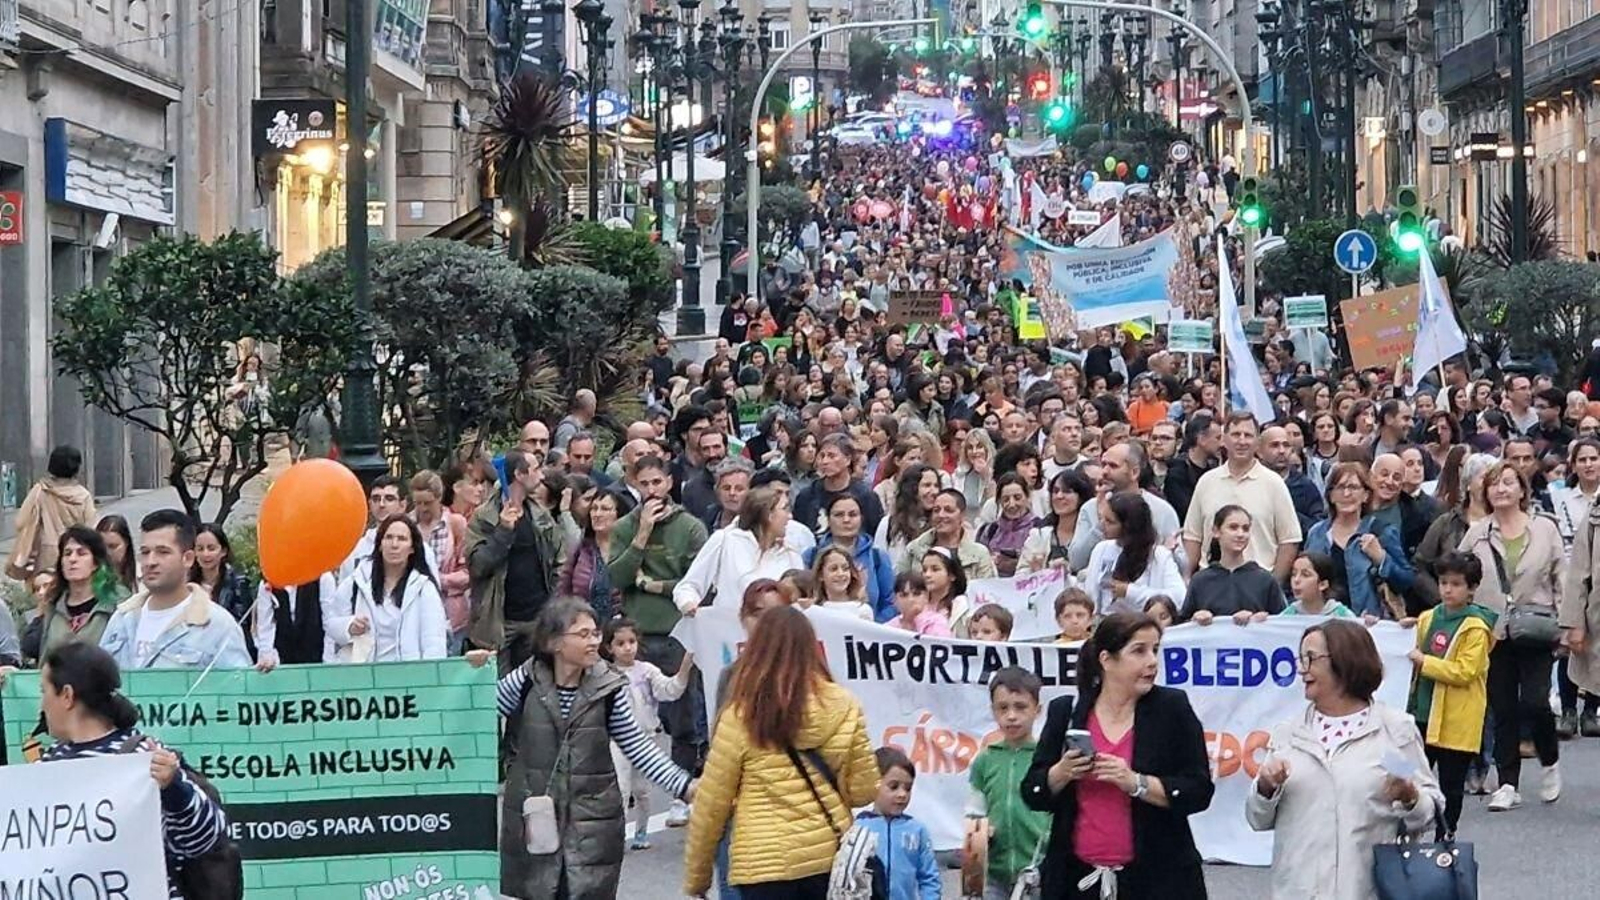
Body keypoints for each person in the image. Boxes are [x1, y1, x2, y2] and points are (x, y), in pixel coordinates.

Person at [496, 597, 694, 899]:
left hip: (592, 824)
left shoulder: (609, 687)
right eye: (583, 635)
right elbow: (479, 711)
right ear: (554, 642)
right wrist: (474, 672)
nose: (593, 642)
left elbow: (638, 746)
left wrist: (684, 786)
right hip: (536, 819)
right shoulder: (527, 678)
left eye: (595, 634)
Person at [683, 606, 879, 899]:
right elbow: (863, 791)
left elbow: (712, 805)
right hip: (826, 856)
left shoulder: (740, 714)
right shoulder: (843, 704)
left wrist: (697, 878)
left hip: (762, 863)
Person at [1021, 612, 1214, 897]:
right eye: (1139, 651)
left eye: (1155, 650)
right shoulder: (1068, 711)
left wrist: (1136, 783)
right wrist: (1061, 773)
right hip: (1076, 882)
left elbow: (1198, 791)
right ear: (1106, 660)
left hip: (1158, 883)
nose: (1152, 661)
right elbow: (1032, 792)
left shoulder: (1172, 708)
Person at [1246, 620, 1442, 900]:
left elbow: (1429, 810)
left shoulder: (1392, 734)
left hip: (1367, 890)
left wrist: (1410, 796)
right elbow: (1257, 818)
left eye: (1311, 658)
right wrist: (1265, 788)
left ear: (1344, 661)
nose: (1302, 669)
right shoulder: (1288, 735)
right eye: (1300, 658)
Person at [29, 642, 232, 899]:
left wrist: (174, 787)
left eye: (44, 691)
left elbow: (204, 839)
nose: (42, 705)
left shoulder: (145, 758)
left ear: (67, 696)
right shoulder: (49, 764)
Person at [608, 455, 710, 820]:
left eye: (657, 482)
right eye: (644, 484)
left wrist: (652, 584)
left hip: (676, 634)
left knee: (682, 717)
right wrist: (641, 537)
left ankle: (681, 792)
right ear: (634, 484)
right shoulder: (624, 527)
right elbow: (616, 578)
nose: (652, 491)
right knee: (628, 717)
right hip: (635, 637)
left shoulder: (691, 526)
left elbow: (697, 583)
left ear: (668, 482)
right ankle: (625, 792)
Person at [1459, 460, 1565, 810]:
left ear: (1522, 489)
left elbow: (1560, 576)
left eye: (1508, 482)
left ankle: (1549, 760)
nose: (1501, 489)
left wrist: (1567, 624)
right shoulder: (1478, 532)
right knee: (1501, 706)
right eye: (1494, 484)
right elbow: (1460, 574)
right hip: (1493, 631)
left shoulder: (1545, 528)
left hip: (1536, 626)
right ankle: (1507, 782)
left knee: (1535, 702)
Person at [1408, 551, 1496, 840]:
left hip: (1456, 719)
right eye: (1444, 582)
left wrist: (1425, 662)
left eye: (1456, 584)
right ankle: (1412, 831)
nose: (1447, 589)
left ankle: (1446, 835)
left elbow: (1465, 671)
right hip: (1423, 712)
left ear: (1471, 589)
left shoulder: (1476, 627)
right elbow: (1410, 648)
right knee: (1414, 777)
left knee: (1451, 784)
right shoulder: (1428, 617)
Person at [99, 510, 252, 670]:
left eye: (163, 552)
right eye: (145, 552)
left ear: (188, 558)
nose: (150, 562)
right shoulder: (122, 619)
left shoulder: (217, 625)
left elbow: (238, 688)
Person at [465, 449, 565, 669]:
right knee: (498, 691)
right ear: (520, 474)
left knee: (532, 689)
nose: (541, 476)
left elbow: (560, 561)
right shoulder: (484, 517)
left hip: (536, 620)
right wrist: (503, 532)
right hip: (499, 623)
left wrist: (551, 606)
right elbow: (477, 566)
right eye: (536, 469)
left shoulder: (540, 514)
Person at [601, 615, 693, 850]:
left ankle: (641, 833)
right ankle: (616, 837)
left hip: (646, 737)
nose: (627, 647)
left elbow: (669, 690)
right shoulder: (604, 674)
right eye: (620, 643)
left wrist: (685, 668)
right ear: (609, 647)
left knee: (642, 791)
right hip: (616, 740)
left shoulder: (647, 671)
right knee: (620, 788)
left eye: (631, 641)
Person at [1181, 413, 1302, 581]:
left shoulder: (1274, 483)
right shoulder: (1207, 482)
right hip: (1211, 582)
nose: (1242, 441)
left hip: (1259, 583)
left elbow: (1289, 540)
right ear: (1224, 439)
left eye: (1248, 435)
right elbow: (1193, 537)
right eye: (1236, 434)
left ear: (1257, 442)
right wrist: (1187, 580)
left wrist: (1274, 584)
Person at [966, 667, 1051, 900]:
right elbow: (974, 812)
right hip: (995, 874)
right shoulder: (985, 759)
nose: (1011, 716)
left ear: (1037, 710)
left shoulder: (1047, 758)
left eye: (1021, 707)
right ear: (992, 711)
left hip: (1038, 872)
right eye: (1003, 708)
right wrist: (981, 831)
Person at [328, 515, 448, 662]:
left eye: (402, 539)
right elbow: (331, 623)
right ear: (379, 544)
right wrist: (349, 626)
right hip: (364, 676)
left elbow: (434, 644)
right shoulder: (358, 580)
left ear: (412, 548)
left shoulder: (424, 589)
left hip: (408, 677)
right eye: (389, 537)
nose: (394, 544)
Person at [1303, 462, 1416, 618]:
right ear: (1330, 495)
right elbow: (1301, 580)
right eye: (1340, 487)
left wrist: (1382, 558)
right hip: (1323, 624)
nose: (1347, 494)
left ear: (1366, 495)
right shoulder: (1316, 533)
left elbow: (1406, 580)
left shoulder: (1382, 531)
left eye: (1354, 487)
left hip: (1369, 626)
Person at [675, 486, 808, 616]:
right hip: (728, 631)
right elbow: (688, 586)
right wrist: (689, 604)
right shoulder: (725, 540)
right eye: (784, 509)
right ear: (768, 514)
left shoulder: (792, 555)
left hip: (774, 634)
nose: (790, 516)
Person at [22, 526, 129, 663]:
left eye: (81, 553)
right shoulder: (54, 604)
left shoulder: (117, 602)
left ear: (95, 563)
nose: (72, 559)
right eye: (67, 553)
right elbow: (37, 653)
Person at [855, 746, 942, 900]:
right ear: (874, 784)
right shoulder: (858, 828)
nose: (902, 794)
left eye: (908, 788)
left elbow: (929, 878)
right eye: (893, 787)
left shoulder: (917, 831)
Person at [1081, 492, 1187, 616]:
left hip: (1143, 625)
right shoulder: (1101, 549)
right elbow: (1090, 594)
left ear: (1128, 526)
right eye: (1101, 518)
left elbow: (1179, 598)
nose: (1102, 525)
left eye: (1110, 522)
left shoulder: (1159, 555)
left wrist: (1130, 592)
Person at [6, 444, 96, 584]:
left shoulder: (41, 491)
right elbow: (91, 530)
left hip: (44, 557)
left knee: (43, 595)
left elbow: (21, 521)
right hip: (74, 556)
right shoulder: (83, 496)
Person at [1185, 506, 1285, 623]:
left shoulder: (1265, 579)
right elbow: (1182, 625)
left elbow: (1282, 622)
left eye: (1245, 529)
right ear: (1216, 531)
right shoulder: (1200, 580)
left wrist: (1264, 618)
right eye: (1233, 528)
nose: (1240, 534)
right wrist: (1195, 619)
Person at [806, 493, 897, 621]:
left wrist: (872, 628)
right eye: (839, 515)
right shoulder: (811, 556)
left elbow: (891, 603)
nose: (846, 520)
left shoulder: (878, 557)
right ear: (828, 519)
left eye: (853, 514)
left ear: (861, 518)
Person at [560, 488, 636, 624]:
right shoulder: (582, 549)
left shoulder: (629, 549)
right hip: (585, 624)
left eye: (605, 509)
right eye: (594, 509)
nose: (597, 514)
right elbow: (564, 589)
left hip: (622, 628)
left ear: (619, 515)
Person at [792, 433, 885, 538]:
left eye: (831, 456)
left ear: (847, 459)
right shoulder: (807, 496)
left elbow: (875, 534)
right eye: (822, 456)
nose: (825, 461)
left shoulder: (866, 496)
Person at [251, 571, 340, 672]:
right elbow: (265, 627)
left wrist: (328, 663)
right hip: (283, 663)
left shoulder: (323, 577)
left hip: (317, 659)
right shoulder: (268, 583)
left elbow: (330, 624)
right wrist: (267, 657)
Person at [190, 524, 255, 656]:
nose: (205, 554)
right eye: (200, 549)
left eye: (211, 548)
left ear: (223, 551)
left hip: (228, 651)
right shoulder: (186, 584)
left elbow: (242, 622)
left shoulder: (239, 582)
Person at [904, 489, 999, 579]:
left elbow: (986, 592)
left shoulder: (979, 554)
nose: (941, 515)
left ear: (962, 515)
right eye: (936, 510)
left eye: (948, 510)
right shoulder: (914, 549)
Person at [1018, 469, 1095, 574]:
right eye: (1055, 491)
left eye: (1067, 491)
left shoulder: (1091, 537)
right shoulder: (1039, 535)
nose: (1059, 496)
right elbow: (1020, 575)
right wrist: (1040, 573)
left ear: (1081, 496)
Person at [976, 473, 1036, 577]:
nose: (1012, 504)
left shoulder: (1040, 529)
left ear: (1027, 496)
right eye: (1006, 499)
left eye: (1017, 498)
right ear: (999, 501)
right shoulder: (988, 531)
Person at [809, 545, 875, 621]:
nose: (840, 574)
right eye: (833, 569)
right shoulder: (814, 611)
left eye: (845, 568)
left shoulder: (863, 610)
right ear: (820, 575)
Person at [1280, 552, 1355, 618]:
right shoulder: (1288, 615)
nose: (1296, 580)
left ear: (1323, 584)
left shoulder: (1342, 615)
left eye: (1305, 575)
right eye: (1294, 574)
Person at [890, 570, 954, 637]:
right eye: (904, 595)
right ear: (895, 599)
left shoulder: (937, 622)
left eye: (917, 594)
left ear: (926, 596)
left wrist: (917, 619)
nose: (911, 599)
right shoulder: (889, 627)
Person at [96, 514, 139, 592]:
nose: (107, 552)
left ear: (126, 543)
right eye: (101, 547)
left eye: (113, 547)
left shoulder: (141, 576)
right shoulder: (89, 578)